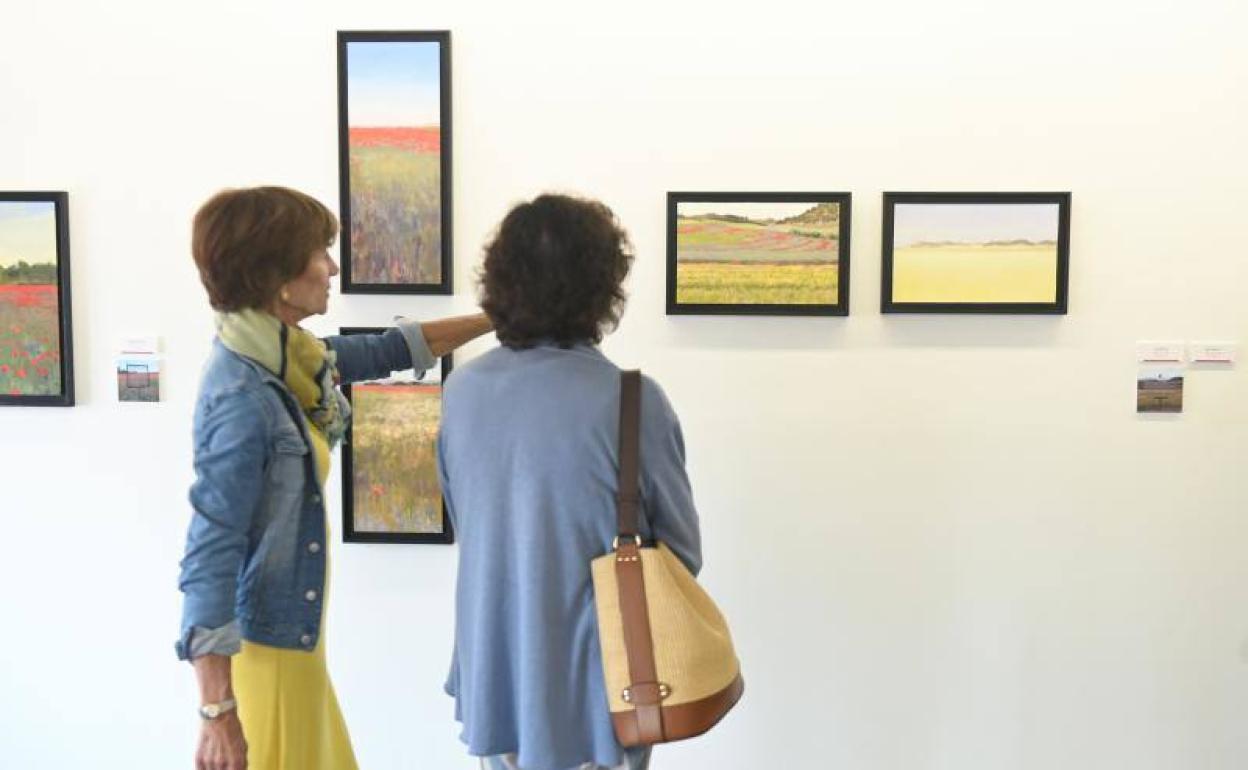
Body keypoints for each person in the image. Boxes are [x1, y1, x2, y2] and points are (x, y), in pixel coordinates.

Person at [175, 185, 492, 770]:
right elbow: (208, 557)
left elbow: (389, 349)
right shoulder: (241, 394)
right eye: (321, 250)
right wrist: (217, 713)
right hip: (265, 662)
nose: (333, 267)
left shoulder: (288, 358)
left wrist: (498, 317)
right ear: (277, 274)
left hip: (296, 649)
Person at [437, 194, 703, 770]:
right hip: (601, 688)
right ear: (602, 286)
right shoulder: (634, 402)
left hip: (497, 670)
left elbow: (472, 521)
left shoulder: (462, 393)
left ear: (500, 279)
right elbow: (682, 557)